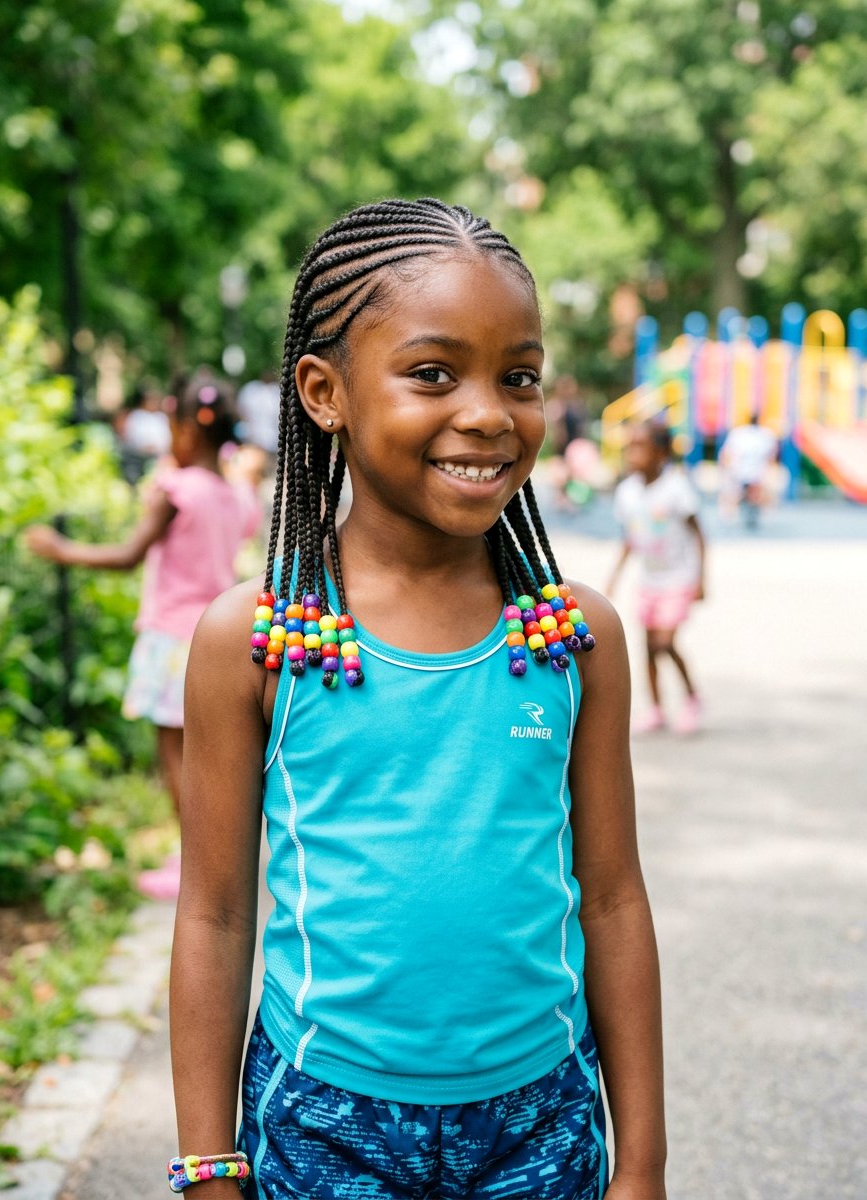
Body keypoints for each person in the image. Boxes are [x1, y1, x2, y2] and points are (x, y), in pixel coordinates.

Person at [170, 199, 666, 1200]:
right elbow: (216, 916)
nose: (489, 414)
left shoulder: (574, 636)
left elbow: (613, 900)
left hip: (541, 1120)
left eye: (518, 376)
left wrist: (642, 1164)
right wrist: (209, 1166)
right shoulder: (256, 640)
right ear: (325, 393)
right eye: (433, 373)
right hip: (320, 1121)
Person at [26, 375, 261, 898]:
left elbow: (127, 554)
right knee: (208, 758)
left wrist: (62, 550)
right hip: (216, 638)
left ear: (186, 430)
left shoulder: (177, 491)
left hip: (172, 640)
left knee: (176, 758)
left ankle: (192, 867)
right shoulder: (231, 495)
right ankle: (214, 859)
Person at [607, 421, 705, 735]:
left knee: (664, 642)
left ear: (661, 453)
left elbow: (699, 534)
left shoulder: (676, 488)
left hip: (678, 578)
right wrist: (615, 577)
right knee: (647, 646)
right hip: (649, 581)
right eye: (630, 447)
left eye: (640, 447)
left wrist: (702, 579)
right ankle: (656, 709)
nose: (632, 454)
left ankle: (691, 698)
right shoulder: (627, 492)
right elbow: (630, 538)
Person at [719, 413, 779, 530]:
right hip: (757, 472)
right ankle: (762, 511)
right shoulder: (766, 434)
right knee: (755, 494)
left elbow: (726, 453)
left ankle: (728, 514)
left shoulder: (738, 433)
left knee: (733, 494)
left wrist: (726, 468)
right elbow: (773, 455)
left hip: (739, 470)